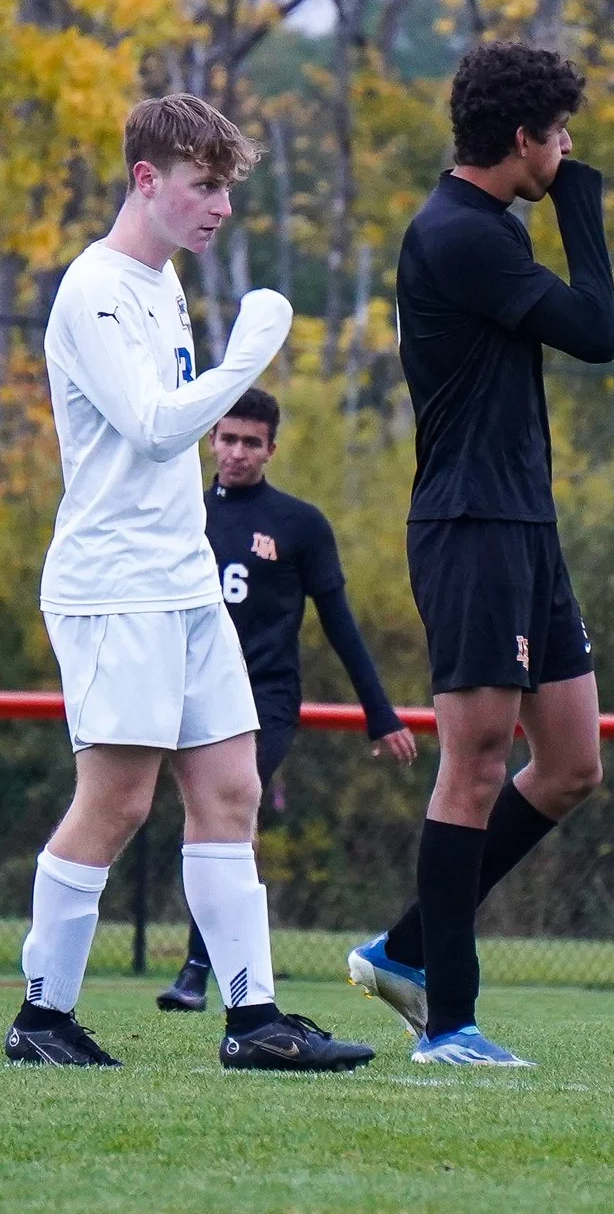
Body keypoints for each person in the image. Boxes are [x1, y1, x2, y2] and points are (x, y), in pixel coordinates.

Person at [6, 92, 377, 1074]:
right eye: (203, 185)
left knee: (230, 786)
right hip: (116, 582)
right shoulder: (95, 286)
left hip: (182, 579)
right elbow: (155, 425)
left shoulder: (164, 281)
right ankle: (42, 1015)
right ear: (146, 179)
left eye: (223, 188)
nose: (218, 206)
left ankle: (252, 1016)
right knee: (119, 800)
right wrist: (246, 358)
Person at [347, 42, 614, 1068]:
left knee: (571, 763)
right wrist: (578, 197)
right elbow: (595, 327)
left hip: (524, 526)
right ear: (522, 139)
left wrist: (558, 189)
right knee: (472, 765)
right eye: (560, 136)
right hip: (470, 526)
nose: (568, 150)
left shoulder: (491, 228)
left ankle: (407, 947)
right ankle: (446, 1024)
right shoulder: (458, 233)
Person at [155, 387, 419, 1012]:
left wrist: (379, 714)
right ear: (210, 441)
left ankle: (198, 968)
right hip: (187, 688)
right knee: (202, 819)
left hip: (263, 696)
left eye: (252, 442)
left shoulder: (299, 525)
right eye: (228, 438)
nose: (238, 452)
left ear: (271, 449)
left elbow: (339, 622)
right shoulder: (182, 514)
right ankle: (215, 963)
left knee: (229, 806)